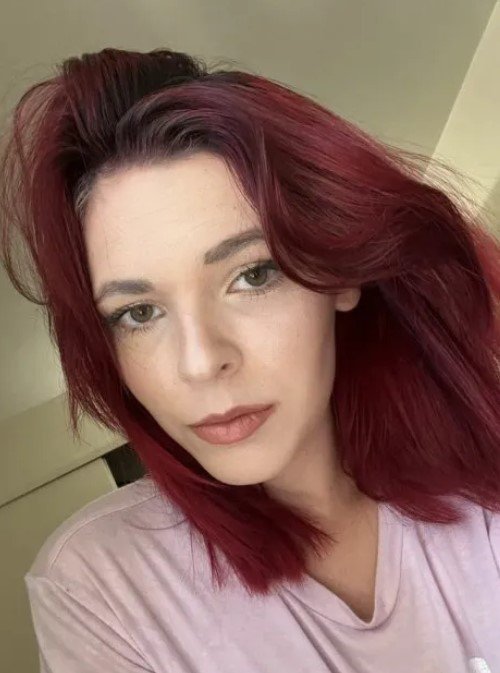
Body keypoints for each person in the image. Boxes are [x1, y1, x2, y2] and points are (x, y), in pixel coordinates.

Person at [1, 47, 499, 673]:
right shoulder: (101, 586)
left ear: (337, 273)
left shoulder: (481, 486)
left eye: (253, 275)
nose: (200, 362)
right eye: (138, 312)